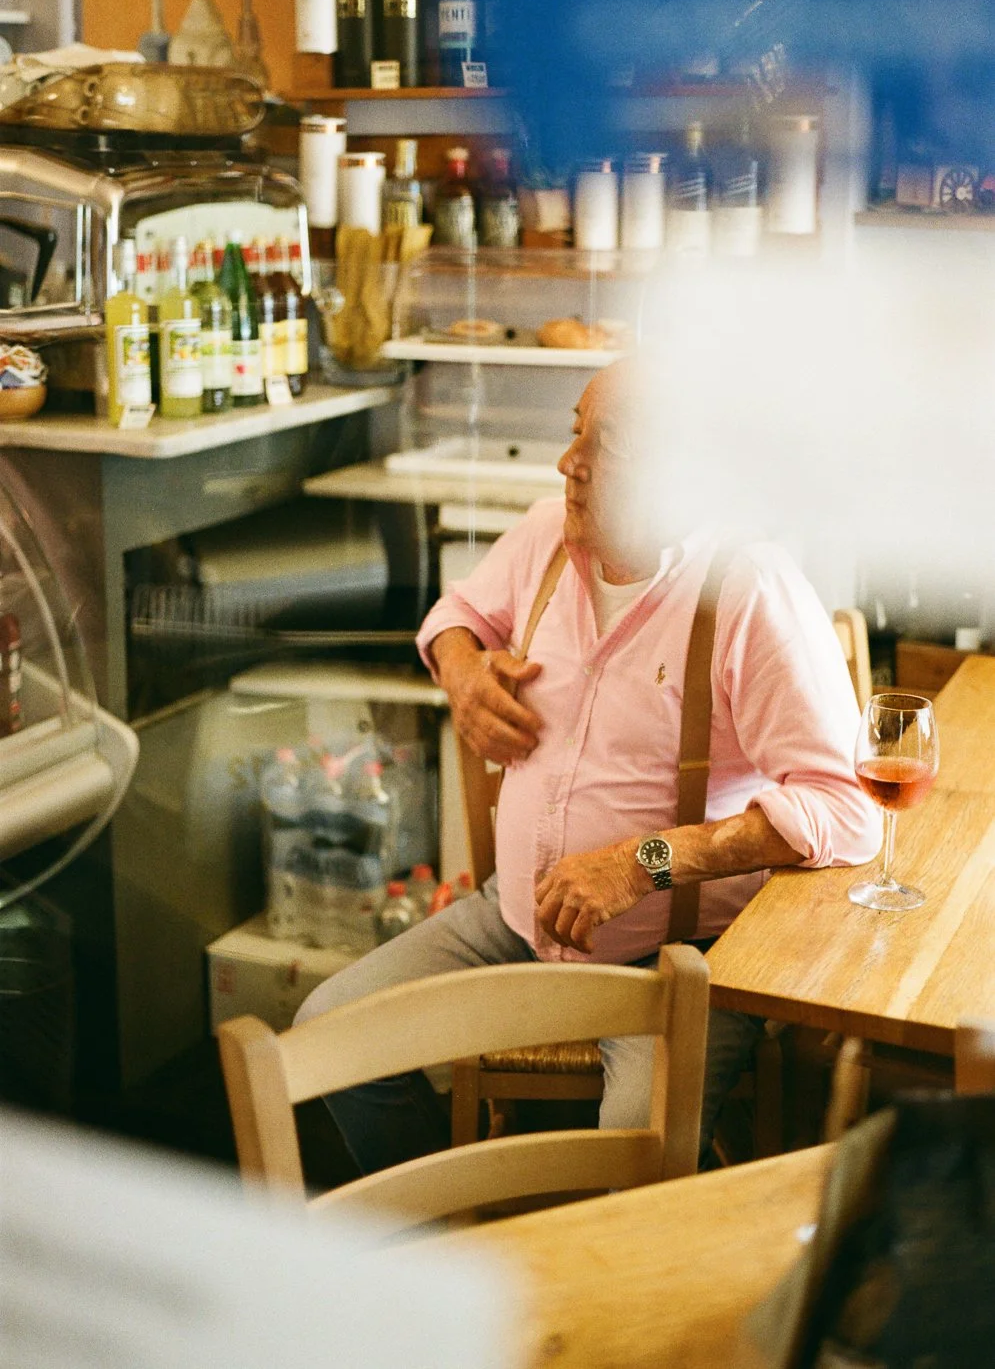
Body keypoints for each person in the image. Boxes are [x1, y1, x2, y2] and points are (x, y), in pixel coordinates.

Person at [295, 363, 881, 1172]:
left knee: (634, 1147)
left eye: (605, 444)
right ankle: (445, 1226)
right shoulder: (545, 534)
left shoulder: (748, 589)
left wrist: (642, 864)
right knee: (330, 1034)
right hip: (513, 919)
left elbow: (846, 808)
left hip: (675, 959)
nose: (567, 464)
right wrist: (461, 673)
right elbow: (454, 614)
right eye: (576, 432)